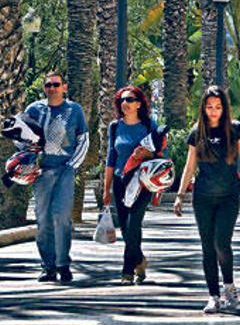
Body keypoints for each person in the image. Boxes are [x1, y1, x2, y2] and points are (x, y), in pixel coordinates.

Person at [174, 86, 240, 313]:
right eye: (209, 107)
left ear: (224, 108)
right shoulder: (197, 132)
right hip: (203, 197)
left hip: (229, 196)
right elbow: (190, 166)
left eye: (218, 107)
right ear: (203, 108)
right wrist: (180, 195)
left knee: (222, 243)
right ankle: (213, 296)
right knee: (207, 247)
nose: (214, 111)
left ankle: (229, 286)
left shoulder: (236, 129)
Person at [25, 72, 89, 283]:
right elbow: (21, 138)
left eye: (56, 84)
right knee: (43, 219)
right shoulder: (34, 110)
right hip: (41, 173)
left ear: (64, 87)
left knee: (61, 216)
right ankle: (48, 266)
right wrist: (28, 161)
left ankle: (63, 264)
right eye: (48, 85)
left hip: (64, 171)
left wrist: (72, 166)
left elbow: (83, 139)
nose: (52, 88)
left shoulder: (74, 110)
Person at [102, 85, 158, 285]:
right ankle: (140, 259)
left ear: (139, 103)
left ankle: (127, 270)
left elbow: (160, 154)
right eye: (123, 100)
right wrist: (106, 188)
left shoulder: (149, 125)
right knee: (126, 228)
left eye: (130, 99)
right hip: (120, 180)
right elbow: (111, 157)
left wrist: (146, 154)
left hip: (142, 181)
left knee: (134, 222)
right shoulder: (115, 127)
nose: (126, 103)